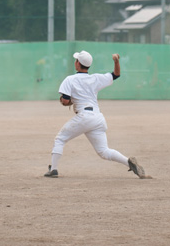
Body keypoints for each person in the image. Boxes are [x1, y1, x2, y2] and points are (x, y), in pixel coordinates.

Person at [44, 50, 149, 179]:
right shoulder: (96, 78)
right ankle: (128, 162)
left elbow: (65, 100)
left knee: (60, 139)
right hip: (97, 118)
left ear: (77, 64)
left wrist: (66, 101)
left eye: (76, 60)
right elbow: (116, 74)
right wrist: (116, 61)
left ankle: (53, 169)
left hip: (84, 117)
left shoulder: (70, 79)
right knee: (104, 151)